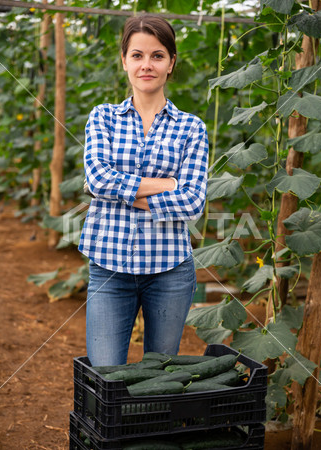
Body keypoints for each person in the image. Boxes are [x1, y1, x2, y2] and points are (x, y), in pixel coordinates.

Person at [78, 13, 209, 366]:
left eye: (157, 55)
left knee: (159, 377)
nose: (146, 65)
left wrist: (121, 191)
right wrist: (167, 185)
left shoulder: (191, 128)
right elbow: (97, 180)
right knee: (105, 373)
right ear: (124, 61)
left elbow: (192, 202)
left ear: (171, 63)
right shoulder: (102, 117)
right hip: (109, 266)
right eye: (137, 55)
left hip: (169, 270)